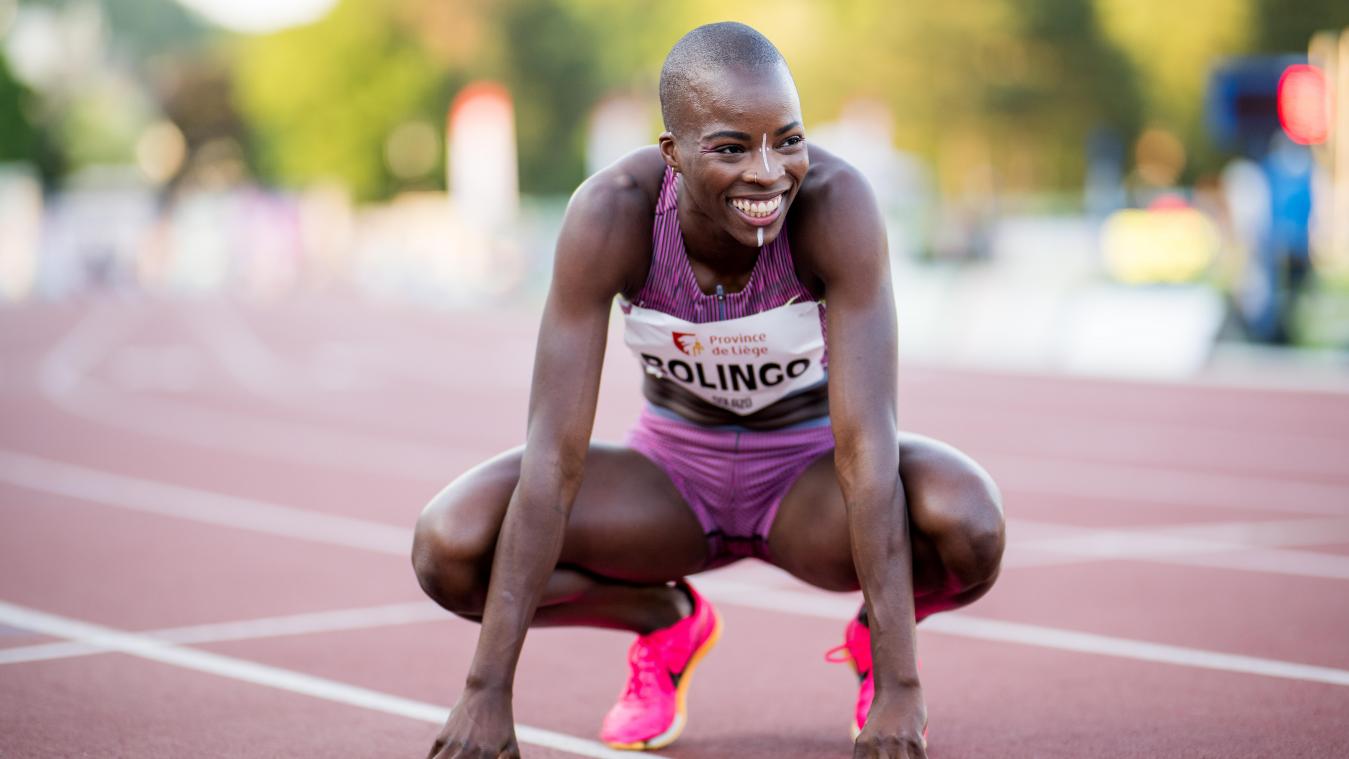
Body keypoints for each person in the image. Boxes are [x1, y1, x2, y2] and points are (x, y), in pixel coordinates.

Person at [412, 21, 1004, 759]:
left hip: (808, 488)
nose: (767, 173)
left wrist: (898, 681)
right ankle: (662, 617)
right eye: (730, 147)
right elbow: (553, 455)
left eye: (787, 139)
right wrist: (485, 692)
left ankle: (872, 632)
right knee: (449, 545)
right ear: (673, 155)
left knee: (970, 525)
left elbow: (865, 447)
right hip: (670, 483)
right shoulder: (611, 215)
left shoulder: (837, 205)